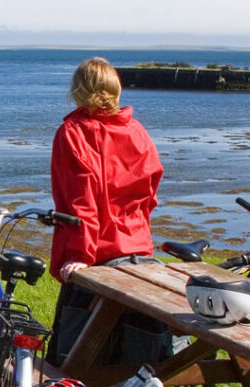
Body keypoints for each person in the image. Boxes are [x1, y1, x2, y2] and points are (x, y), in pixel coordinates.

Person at [46, 57, 168, 366]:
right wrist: (136, 227)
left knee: (73, 356)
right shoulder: (137, 131)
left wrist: (79, 255)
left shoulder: (74, 132)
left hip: (98, 254)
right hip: (137, 249)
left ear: (78, 90)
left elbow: (80, 201)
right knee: (135, 351)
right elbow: (150, 189)